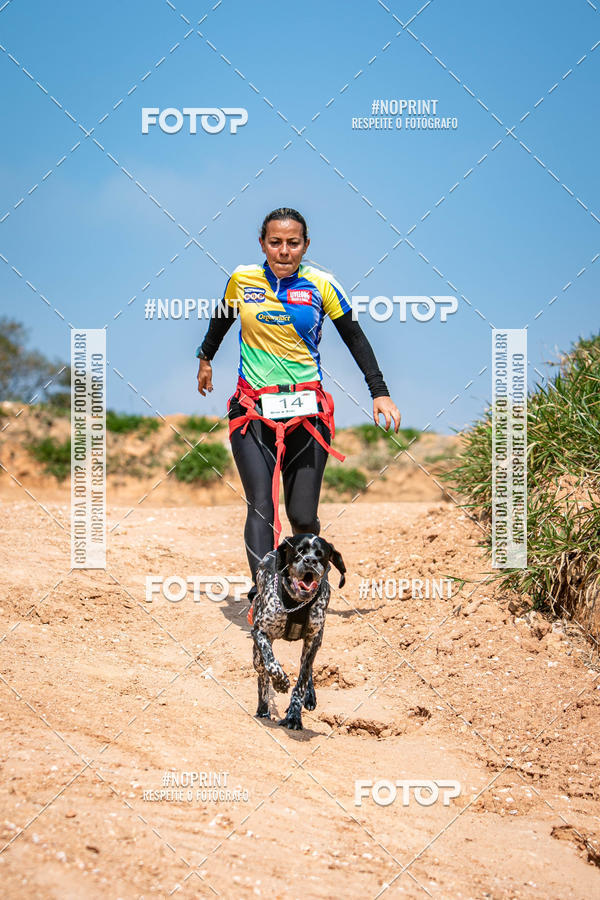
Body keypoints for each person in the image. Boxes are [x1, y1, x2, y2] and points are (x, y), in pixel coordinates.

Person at [196, 207, 401, 609]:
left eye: (293, 243)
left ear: (306, 246)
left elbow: (355, 339)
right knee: (262, 504)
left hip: (307, 414)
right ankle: (264, 595)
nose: (284, 251)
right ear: (262, 244)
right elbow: (221, 320)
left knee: (303, 516)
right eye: (275, 242)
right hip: (252, 409)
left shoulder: (322, 284)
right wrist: (205, 358)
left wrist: (380, 391)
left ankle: (306, 588)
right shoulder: (243, 279)